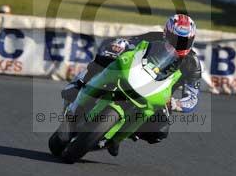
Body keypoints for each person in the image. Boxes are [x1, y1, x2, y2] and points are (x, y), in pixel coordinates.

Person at [61, 14, 202, 156]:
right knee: (105, 59)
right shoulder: (154, 37)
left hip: (158, 94)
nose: (179, 44)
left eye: (184, 42)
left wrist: (177, 103)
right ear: (167, 34)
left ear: (191, 41)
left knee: (160, 130)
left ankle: (120, 135)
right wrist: (119, 46)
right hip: (133, 74)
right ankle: (79, 84)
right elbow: (130, 43)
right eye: (176, 39)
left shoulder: (192, 63)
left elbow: (192, 97)